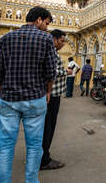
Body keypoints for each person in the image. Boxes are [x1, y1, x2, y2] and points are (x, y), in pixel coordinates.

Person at [0, 6, 56, 183]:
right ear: (38, 20)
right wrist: (48, 92)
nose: (47, 27)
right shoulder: (45, 39)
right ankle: (31, 181)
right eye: (46, 23)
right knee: (35, 146)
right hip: (35, 99)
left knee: (5, 146)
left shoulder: (6, 38)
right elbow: (51, 71)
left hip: (9, 100)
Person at [41, 29, 67, 170]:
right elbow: (50, 71)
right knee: (47, 127)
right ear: (55, 39)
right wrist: (66, 72)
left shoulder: (51, 51)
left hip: (51, 94)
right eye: (62, 41)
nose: (63, 44)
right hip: (51, 95)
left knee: (46, 127)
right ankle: (44, 159)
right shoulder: (50, 51)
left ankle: (41, 155)